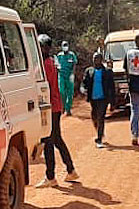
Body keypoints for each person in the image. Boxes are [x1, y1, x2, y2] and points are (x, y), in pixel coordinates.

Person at [36, 35, 79, 188]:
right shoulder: (51, 62)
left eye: (40, 46)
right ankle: (70, 169)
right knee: (56, 139)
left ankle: (51, 176)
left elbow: (43, 86)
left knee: (49, 140)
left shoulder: (46, 64)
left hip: (50, 105)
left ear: (46, 48)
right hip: (54, 105)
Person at [82, 52, 115, 148]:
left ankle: (99, 138)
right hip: (93, 98)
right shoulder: (89, 71)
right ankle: (99, 131)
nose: (95, 60)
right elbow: (84, 83)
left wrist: (112, 102)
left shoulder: (107, 72)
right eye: (94, 58)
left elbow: (112, 87)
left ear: (101, 60)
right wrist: (83, 89)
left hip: (103, 98)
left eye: (97, 58)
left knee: (101, 117)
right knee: (94, 116)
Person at [56, 41, 78, 116]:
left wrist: (72, 74)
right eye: (64, 45)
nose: (65, 47)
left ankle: (68, 109)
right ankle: (63, 107)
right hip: (61, 75)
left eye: (66, 45)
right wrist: (58, 69)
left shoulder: (72, 55)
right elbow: (56, 65)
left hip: (69, 75)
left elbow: (74, 65)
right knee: (62, 92)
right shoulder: (59, 55)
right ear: (61, 47)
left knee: (70, 93)